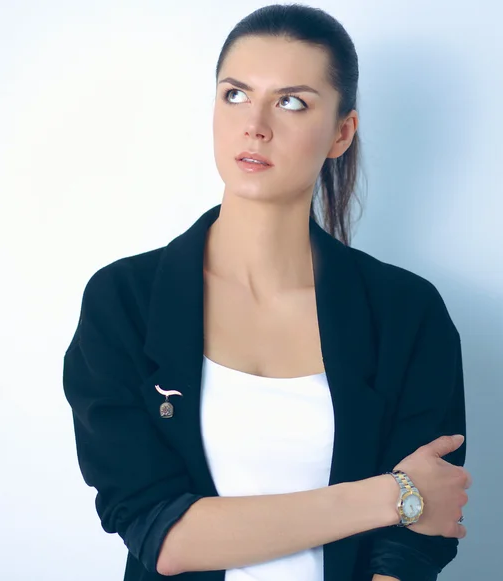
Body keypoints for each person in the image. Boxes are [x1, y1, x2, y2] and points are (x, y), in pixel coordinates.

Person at [62, 4, 472, 580]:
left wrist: (407, 503)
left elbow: (416, 540)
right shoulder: (124, 301)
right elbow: (163, 536)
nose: (255, 123)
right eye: (235, 94)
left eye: (291, 102)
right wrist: (389, 496)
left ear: (341, 133)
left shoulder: (406, 312)